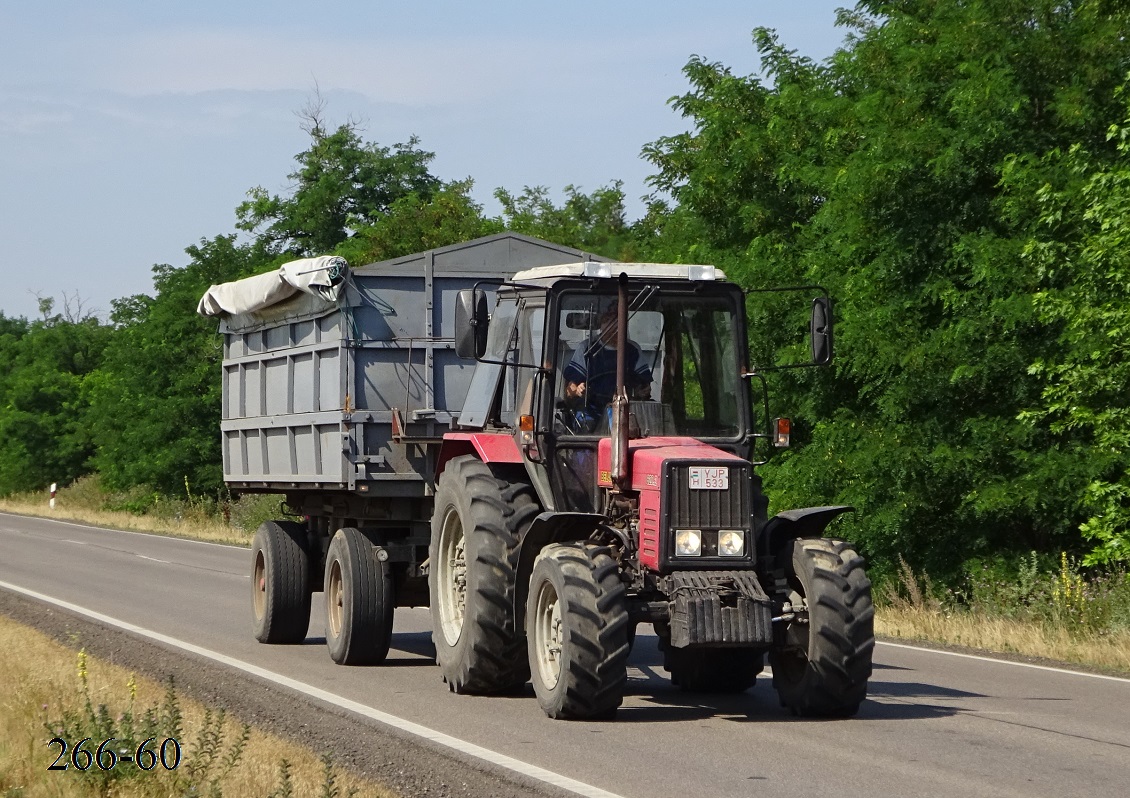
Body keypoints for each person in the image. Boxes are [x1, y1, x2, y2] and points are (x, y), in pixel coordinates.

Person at [561, 305, 653, 428]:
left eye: (617, 320)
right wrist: (578, 390)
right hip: (591, 410)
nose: (614, 325)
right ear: (601, 324)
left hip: (625, 409)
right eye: (608, 320)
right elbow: (569, 389)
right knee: (584, 427)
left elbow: (645, 386)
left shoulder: (633, 350)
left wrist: (641, 391)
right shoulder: (587, 348)